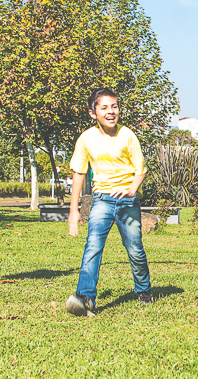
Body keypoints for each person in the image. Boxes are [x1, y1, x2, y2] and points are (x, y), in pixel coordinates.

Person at [65, 87, 152, 317]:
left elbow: (140, 169)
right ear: (93, 113)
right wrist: (73, 211)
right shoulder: (86, 138)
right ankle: (85, 298)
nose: (111, 111)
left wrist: (132, 190)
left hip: (127, 201)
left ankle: (144, 290)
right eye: (104, 107)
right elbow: (79, 174)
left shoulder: (127, 135)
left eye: (114, 106)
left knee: (134, 249)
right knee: (93, 246)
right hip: (101, 200)